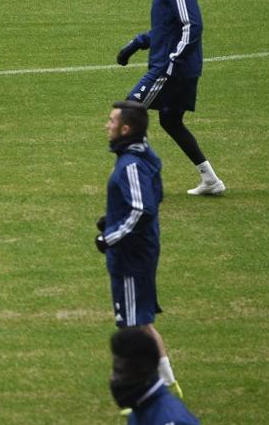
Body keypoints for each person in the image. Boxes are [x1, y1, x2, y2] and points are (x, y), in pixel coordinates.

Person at [117, 0, 225, 195]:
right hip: (178, 66)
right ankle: (210, 179)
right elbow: (169, 28)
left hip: (172, 69)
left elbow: (192, 25)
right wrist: (138, 42)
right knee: (170, 121)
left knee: (128, 115)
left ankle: (142, 181)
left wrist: (173, 62)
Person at [95, 101, 185, 400]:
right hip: (139, 252)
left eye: (111, 121)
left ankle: (148, 390)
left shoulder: (130, 165)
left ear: (125, 128)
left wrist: (110, 236)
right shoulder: (141, 155)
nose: (106, 125)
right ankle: (168, 385)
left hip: (131, 257)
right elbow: (150, 197)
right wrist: (112, 218)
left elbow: (142, 210)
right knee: (141, 324)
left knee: (132, 329)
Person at [110, 328, 199, 424]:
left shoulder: (170, 421)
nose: (113, 378)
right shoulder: (139, 410)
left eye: (120, 371)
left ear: (142, 371)